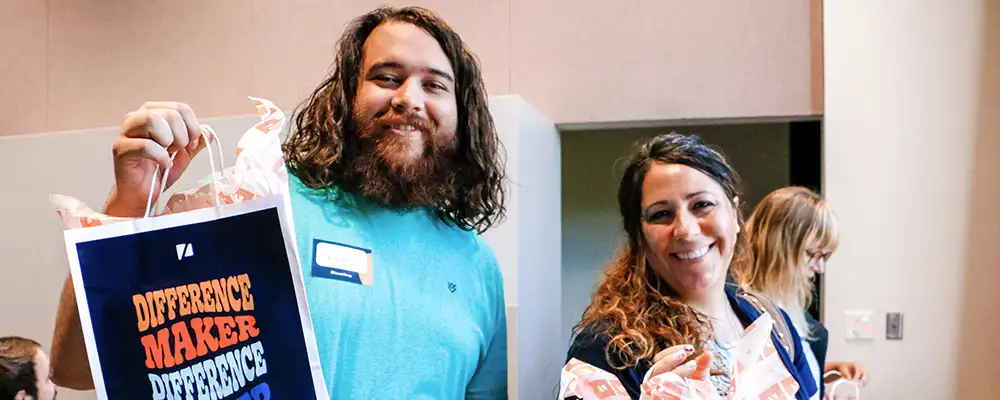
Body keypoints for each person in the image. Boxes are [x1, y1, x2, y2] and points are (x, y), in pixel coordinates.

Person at [49, 6, 509, 399]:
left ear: (461, 115)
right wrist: (130, 202)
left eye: (435, 85)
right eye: (387, 77)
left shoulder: (476, 266)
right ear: (347, 96)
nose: (408, 99)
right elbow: (76, 368)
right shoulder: (255, 205)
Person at [565, 133, 818, 399]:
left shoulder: (772, 323)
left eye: (702, 205)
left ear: (734, 214)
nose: (686, 231)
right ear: (638, 236)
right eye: (661, 214)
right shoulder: (604, 352)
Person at [733, 186, 868, 398]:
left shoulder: (790, 308)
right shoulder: (738, 312)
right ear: (778, 245)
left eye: (824, 257)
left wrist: (827, 370)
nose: (820, 268)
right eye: (813, 254)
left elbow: (783, 373)